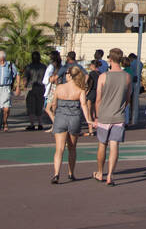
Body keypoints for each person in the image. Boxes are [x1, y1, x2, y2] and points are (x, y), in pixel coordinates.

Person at [47, 65, 93, 182]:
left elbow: (53, 104)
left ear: (69, 75)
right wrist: (88, 120)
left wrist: (55, 113)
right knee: (72, 148)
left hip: (61, 118)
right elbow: (83, 105)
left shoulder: (59, 88)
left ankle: (56, 174)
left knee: (59, 149)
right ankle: (71, 173)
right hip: (74, 119)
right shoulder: (80, 89)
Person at [93, 49, 132, 185]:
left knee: (102, 144)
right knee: (114, 145)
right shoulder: (127, 77)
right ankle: (110, 175)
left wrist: (97, 116)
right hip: (118, 116)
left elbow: (98, 99)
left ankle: (100, 172)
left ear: (110, 59)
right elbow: (128, 98)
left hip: (104, 115)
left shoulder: (103, 76)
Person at [20, 51, 47, 130]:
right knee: (39, 105)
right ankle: (40, 123)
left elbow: (25, 78)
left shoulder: (29, 67)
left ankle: (32, 124)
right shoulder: (44, 67)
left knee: (31, 106)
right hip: (41, 88)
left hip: (30, 87)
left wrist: (24, 86)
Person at [42, 51, 62, 130]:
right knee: (54, 108)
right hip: (58, 87)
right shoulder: (60, 66)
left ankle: (56, 125)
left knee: (48, 108)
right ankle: (54, 126)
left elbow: (47, 78)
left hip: (53, 88)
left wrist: (50, 79)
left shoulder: (51, 66)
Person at [0, 50, 18, 130]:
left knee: (6, 108)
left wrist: (17, 87)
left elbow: (17, 74)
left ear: (3, 58)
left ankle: (5, 122)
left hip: (6, 88)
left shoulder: (10, 65)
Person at [83, 60, 101, 133]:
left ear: (93, 65)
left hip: (92, 92)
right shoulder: (100, 73)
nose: (90, 66)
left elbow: (90, 83)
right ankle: (97, 125)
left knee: (89, 111)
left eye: (90, 65)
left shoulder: (91, 73)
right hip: (99, 92)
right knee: (95, 110)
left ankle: (90, 129)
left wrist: (86, 91)